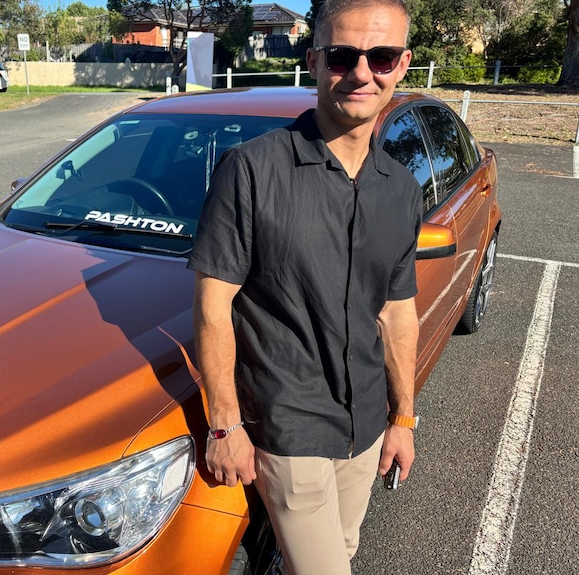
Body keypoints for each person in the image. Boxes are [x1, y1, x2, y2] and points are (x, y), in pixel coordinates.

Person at [187, 1, 421, 574]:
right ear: (314, 61)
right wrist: (225, 423)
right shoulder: (252, 170)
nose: (362, 73)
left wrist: (403, 420)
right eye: (342, 56)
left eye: (381, 56)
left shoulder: (401, 189)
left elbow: (397, 313)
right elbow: (214, 306)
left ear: (402, 65)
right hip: (289, 425)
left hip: (365, 424)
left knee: (342, 550)